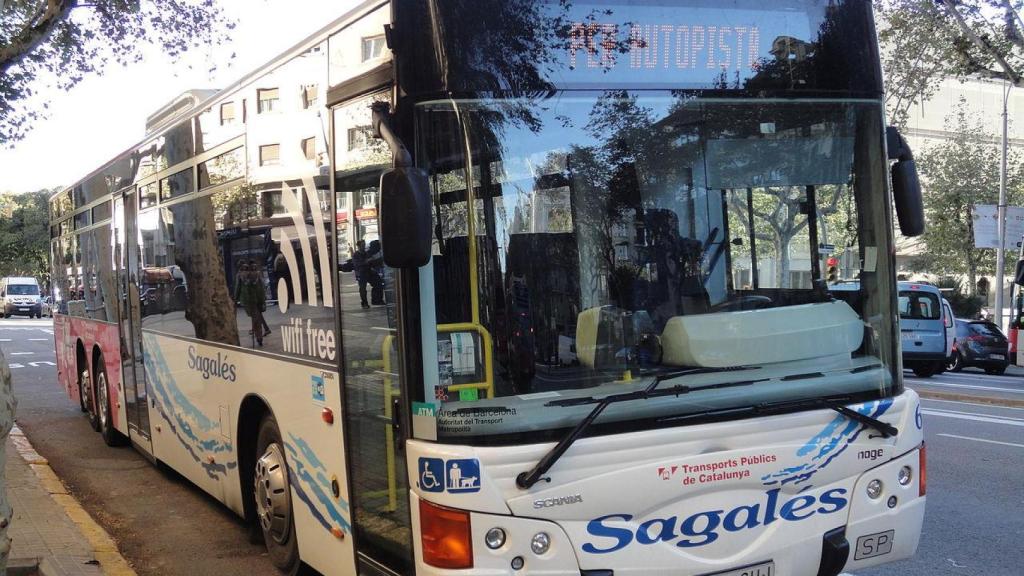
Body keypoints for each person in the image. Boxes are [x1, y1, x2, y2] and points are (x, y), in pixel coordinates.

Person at [235, 262, 268, 346]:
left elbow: (238, 288)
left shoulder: (240, 276)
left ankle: (258, 336)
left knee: (255, 317)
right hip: (258, 298)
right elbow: (262, 287)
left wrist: (235, 299)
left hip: (248, 300)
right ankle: (259, 336)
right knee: (257, 317)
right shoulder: (257, 275)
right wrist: (263, 299)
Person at [352, 240, 371, 309]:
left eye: (364, 245)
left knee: (377, 282)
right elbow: (356, 264)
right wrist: (365, 262)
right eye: (362, 245)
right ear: (359, 246)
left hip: (368, 272)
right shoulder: (356, 254)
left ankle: (376, 299)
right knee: (363, 289)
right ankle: (364, 303)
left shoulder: (366, 253)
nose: (364, 246)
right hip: (361, 273)